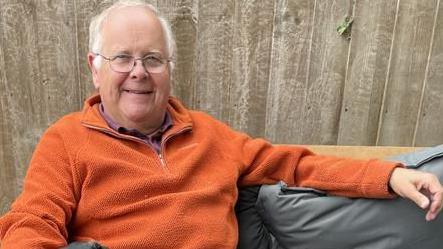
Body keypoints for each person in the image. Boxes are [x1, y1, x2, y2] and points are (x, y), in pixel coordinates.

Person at [0, 1, 442, 248]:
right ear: (95, 68)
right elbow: (33, 220)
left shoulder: (211, 136)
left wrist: (390, 174)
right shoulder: (66, 141)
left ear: (169, 69)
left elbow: (296, 166)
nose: (138, 71)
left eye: (152, 59)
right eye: (122, 58)